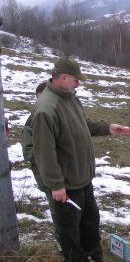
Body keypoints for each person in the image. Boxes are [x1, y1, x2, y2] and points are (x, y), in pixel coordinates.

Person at [32, 57, 125, 262]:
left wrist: (107, 128)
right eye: (76, 79)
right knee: (71, 236)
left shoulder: (70, 96)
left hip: (83, 179)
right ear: (64, 77)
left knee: (91, 225)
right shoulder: (46, 109)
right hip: (66, 187)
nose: (79, 83)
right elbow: (44, 153)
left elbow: (84, 123)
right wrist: (56, 185)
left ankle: (94, 258)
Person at [22, 81, 62, 253]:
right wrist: (46, 158)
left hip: (62, 171)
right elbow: (28, 151)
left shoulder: (55, 114)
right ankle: (62, 242)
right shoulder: (33, 120)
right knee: (57, 208)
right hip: (46, 174)